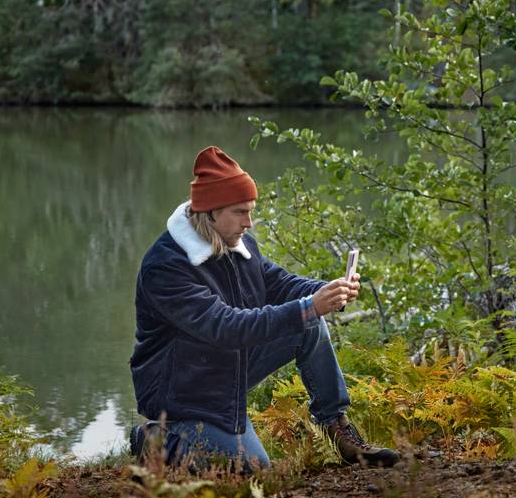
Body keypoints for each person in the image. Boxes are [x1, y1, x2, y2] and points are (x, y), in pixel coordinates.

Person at [128, 146, 399, 470]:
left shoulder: (238, 245)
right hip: (181, 390)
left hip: (224, 367)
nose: (249, 222)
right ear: (211, 212)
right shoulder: (166, 266)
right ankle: (155, 438)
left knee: (308, 323)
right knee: (253, 467)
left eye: (251, 210)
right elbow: (225, 327)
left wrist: (327, 291)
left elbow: (278, 284)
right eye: (240, 212)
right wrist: (309, 305)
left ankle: (336, 429)